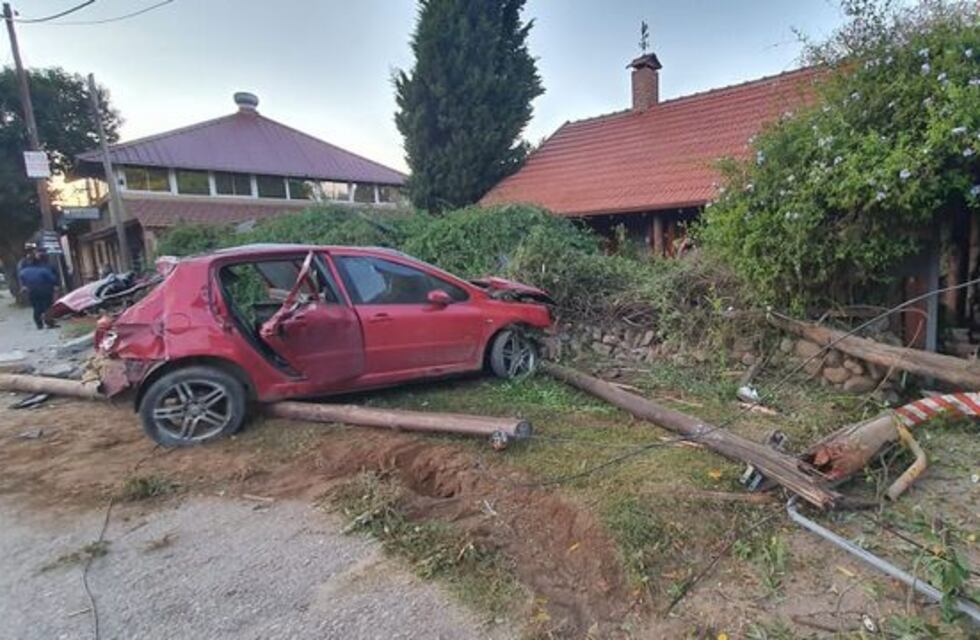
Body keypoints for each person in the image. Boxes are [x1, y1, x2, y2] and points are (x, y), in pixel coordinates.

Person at [18, 253, 59, 329]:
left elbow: (22, 282)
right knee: (47, 307)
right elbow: (52, 279)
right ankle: (49, 323)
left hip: (32, 292)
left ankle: (39, 324)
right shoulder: (43, 270)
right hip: (45, 291)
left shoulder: (23, 272)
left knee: (36, 307)